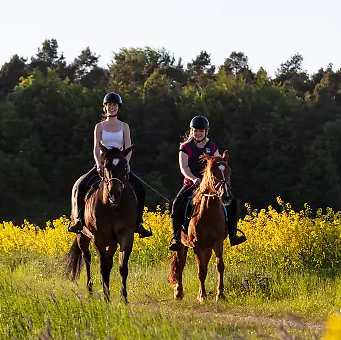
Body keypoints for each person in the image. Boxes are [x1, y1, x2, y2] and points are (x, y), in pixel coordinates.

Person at [69, 93, 151, 237]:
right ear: (105, 107)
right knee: (80, 185)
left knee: (140, 188)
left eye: (115, 105)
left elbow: (128, 147)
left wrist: (126, 163)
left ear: (118, 108)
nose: (112, 107)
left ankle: (139, 223)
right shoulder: (99, 126)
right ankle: (78, 220)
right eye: (109, 105)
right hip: (104, 163)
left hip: (120, 164)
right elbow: (96, 148)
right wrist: (98, 163)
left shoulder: (124, 126)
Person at [168, 115, 245, 252]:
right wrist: (194, 179)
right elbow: (184, 168)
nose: (198, 133)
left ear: (206, 132)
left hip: (210, 184)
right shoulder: (185, 147)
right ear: (191, 131)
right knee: (176, 204)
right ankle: (176, 238)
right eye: (195, 130)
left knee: (232, 202)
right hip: (192, 183)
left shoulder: (212, 147)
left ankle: (233, 234)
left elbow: (218, 164)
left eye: (201, 131)